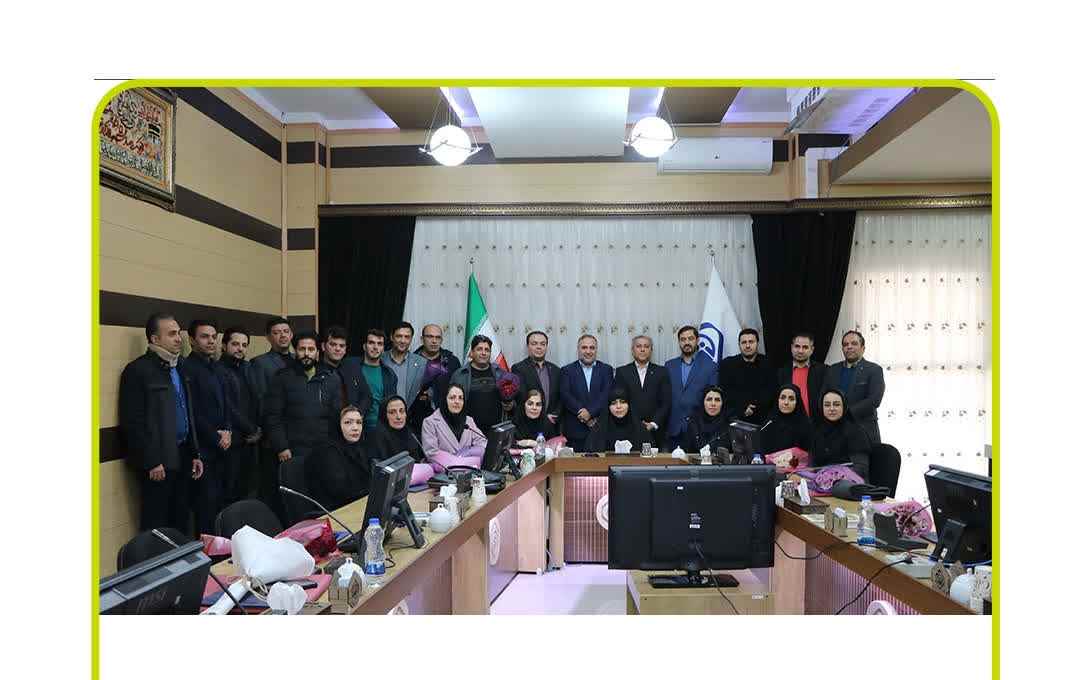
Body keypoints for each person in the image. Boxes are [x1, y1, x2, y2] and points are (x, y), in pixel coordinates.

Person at [118, 312, 203, 533]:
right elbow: (133, 422)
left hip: (183, 454)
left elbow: (187, 411)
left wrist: (195, 452)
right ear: (155, 339)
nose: (178, 338)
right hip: (158, 460)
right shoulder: (138, 370)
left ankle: (180, 557)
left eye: (179, 333)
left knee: (181, 518)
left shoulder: (180, 367)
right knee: (156, 522)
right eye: (172, 334)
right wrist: (151, 460)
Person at [261, 331, 344, 519]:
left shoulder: (331, 378)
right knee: (297, 502)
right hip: (293, 451)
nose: (306, 353)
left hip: (323, 450)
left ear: (318, 351)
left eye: (311, 349)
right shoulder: (282, 378)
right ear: (295, 351)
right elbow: (272, 416)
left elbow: (336, 416)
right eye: (302, 349)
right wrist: (281, 446)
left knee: (323, 498)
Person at [182, 320, 232, 535]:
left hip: (223, 447)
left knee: (223, 505)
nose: (211, 341)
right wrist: (215, 436)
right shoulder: (187, 368)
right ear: (192, 340)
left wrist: (228, 431)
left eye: (213, 337)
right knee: (206, 509)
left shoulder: (217, 367)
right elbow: (193, 411)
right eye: (204, 337)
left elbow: (227, 403)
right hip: (203, 450)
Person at [219, 327, 261, 503]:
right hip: (232, 441)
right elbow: (227, 406)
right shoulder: (218, 370)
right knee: (230, 493)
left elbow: (257, 399)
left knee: (248, 491)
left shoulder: (248, 367)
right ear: (224, 345)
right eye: (235, 344)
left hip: (251, 442)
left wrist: (258, 429)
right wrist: (252, 429)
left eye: (244, 345)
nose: (240, 348)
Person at [823, 330, 885, 445]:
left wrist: (846, 413)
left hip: (863, 430)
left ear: (863, 348)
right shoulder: (832, 370)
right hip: (834, 430)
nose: (849, 347)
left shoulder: (874, 370)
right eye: (845, 344)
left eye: (854, 343)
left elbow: (875, 400)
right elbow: (823, 396)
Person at [305, 405, 372, 511]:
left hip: (356, 504)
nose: (355, 428)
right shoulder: (326, 451)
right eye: (348, 422)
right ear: (337, 425)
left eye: (359, 422)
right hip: (333, 511)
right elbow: (341, 491)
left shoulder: (358, 447)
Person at [665, 325, 719, 449]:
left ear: (697, 340)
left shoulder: (710, 366)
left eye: (690, 338)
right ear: (679, 342)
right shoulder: (669, 365)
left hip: (699, 430)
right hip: (673, 430)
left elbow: (712, 398)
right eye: (683, 339)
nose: (687, 342)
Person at [559, 334, 615, 451]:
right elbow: (565, 395)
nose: (588, 351)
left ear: (596, 350)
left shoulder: (606, 369)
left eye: (592, 348)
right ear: (578, 349)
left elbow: (606, 394)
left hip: (600, 428)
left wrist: (590, 413)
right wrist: (582, 412)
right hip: (575, 430)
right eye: (584, 347)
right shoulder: (567, 370)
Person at [615, 335, 671, 448]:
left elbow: (666, 402)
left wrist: (653, 423)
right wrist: (634, 423)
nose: (642, 349)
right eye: (638, 346)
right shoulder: (622, 372)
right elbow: (619, 401)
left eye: (646, 346)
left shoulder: (662, 372)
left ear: (651, 350)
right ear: (632, 350)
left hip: (655, 432)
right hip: (629, 430)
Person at [449, 335, 512, 434]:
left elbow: (510, 402)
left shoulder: (500, 373)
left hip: (497, 430)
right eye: (479, 349)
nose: (483, 353)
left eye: (487, 350)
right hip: (468, 431)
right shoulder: (460, 375)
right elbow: (450, 404)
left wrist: (510, 404)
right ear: (472, 353)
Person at [421, 384, 488, 473]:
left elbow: (483, 442)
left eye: (460, 398)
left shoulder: (468, 420)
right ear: (444, 399)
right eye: (452, 398)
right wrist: (457, 460)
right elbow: (431, 453)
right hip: (444, 475)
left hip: (469, 473)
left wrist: (469, 452)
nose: (457, 401)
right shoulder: (430, 422)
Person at [718, 328, 776, 427]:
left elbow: (772, 390)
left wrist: (754, 408)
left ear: (757, 343)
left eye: (751, 342)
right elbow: (725, 392)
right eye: (744, 342)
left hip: (764, 419)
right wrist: (743, 408)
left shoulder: (768, 364)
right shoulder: (727, 365)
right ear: (739, 344)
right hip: (735, 419)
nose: (748, 345)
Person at [810, 389, 872, 480]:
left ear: (844, 406)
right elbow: (813, 466)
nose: (832, 409)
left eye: (836, 404)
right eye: (827, 405)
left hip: (849, 482)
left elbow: (860, 468)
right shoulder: (818, 432)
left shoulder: (855, 432)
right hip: (821, 481)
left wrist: (831, 477)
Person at [412, 323, 462, 425]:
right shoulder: (412, 361)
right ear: (422, 339)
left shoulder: (452, 361)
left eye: (438, 337)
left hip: (446, 420)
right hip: (416, 420)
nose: (434, 341)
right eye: (430, 337)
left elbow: (459, 391)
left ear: (441, 340)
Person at [511, 331, 561, 428]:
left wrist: (555, 415)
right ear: (528, 346)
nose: (539, 347)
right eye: (534, 343)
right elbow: (521, 398)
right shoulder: (518, 368)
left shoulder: (556, 370)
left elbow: (560, 398)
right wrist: (543, 417)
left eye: (543, 344)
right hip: (528, 426)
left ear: (546, 347)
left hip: (551, 425)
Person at [320, 325, 371, 418]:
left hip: (353, 423)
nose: (338, 349)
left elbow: (366, 396)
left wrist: (357, 415)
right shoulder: (316, 371)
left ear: (345, 349)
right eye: (333, 344)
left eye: (342, 346)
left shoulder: (352, 368)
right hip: (326, 424)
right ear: (323, 346)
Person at [357, 329, 398, 433]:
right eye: (371, 343)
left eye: (379, 344)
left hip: (381, 428)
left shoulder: (389, 374)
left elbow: (392, 404)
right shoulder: (354, 368)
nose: (375, 347)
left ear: (383, 349)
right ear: (364, 346)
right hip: (357, 427)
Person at [777, 332, 826, 418]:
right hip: (788, 421)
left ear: (812, 350)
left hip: (815, 422)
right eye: (797, 346)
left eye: (805, 347)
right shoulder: (781, 372)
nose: (800, 351)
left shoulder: (823, 371)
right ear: (791, 348)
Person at [248, 316, 295, 405]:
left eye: (286, 331)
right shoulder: (259, 362)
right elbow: (260, 398)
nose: (283, 335)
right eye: (276, 333)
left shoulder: (298, 358)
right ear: (268, 337)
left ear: (291, 335)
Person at [586, 387, 649, 452]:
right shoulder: (598, 430)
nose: (618, 406)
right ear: (608, 407)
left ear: (629, 405)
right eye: (613, 403)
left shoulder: (640, 429)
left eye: (623, 402)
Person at [382, 322, 427, 409]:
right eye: (399, 336)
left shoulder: (421, 363)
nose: (403, 341)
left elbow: (427, 391)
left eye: (407, 337)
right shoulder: (381, 359)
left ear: (411, 339)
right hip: (384, 413)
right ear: (391, 337)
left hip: (410, 414)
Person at [760, 384, 813, 455]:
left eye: (791, 399)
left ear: (797, 402)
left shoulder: (805, 427)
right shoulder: (769, 423)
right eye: (782, 398)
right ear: (778, 400)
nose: (786, 402)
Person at [370, 396, 424, 463]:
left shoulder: (411, 433)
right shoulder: (377, 438)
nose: (398, 417)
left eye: (402, 411)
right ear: (384, 415)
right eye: (392, 412)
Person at [683, 386, 731, 453]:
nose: (713, 404)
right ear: (703, 402)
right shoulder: (694, 423)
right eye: (709, 399)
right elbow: (688, 451)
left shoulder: (729, 425)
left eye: (717, 400)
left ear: (722, 403)